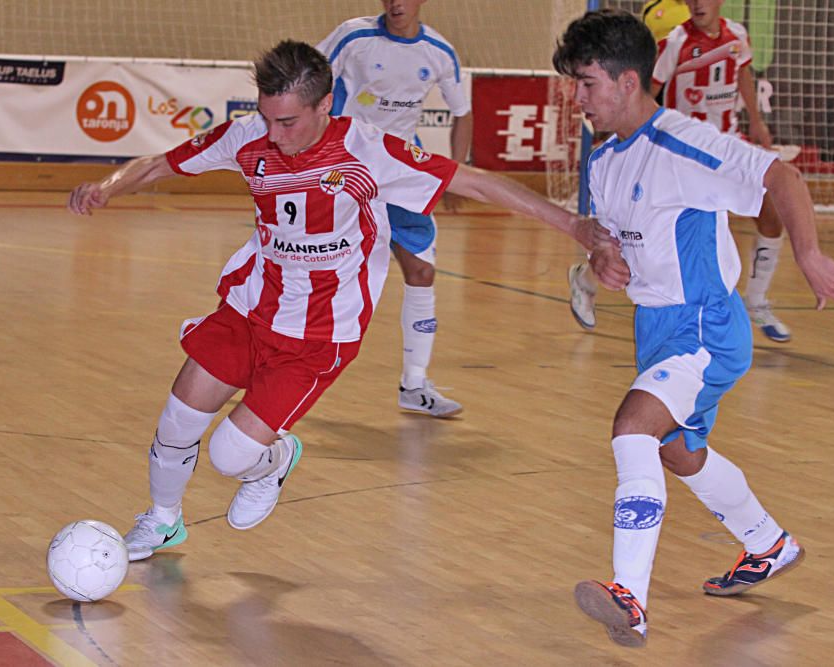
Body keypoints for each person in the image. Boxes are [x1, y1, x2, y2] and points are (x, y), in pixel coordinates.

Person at [68, 40, 609, 562]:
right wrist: (109, 186)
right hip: (251, 307)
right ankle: (162, 519)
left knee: (229, 456)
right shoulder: (248, 136)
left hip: (319, 334)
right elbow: (164, 162)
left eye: (289, 122)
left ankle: (275, 459)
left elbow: (477, 184)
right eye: (267, 118)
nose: (275, 136)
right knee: (177, 418)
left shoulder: (368, 152)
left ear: (326, 104)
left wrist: (574, 225)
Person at [552, 10, 834, 648]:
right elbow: (610, 238)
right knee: (675, 451)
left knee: (633, 427)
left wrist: (808, 257)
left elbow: (782, 175)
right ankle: (767, 542)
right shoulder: (605, 159)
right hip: (655, 327)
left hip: (706, 325)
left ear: (628, 80)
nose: (576, 98)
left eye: (586, 83)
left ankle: (629, 599)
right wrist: (601, 257)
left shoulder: (682, 142)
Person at [568, 0, 792, 343]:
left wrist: (757, 123)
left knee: (771, 217)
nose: (697, 3)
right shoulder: (675, 42)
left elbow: (742, 75)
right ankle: (587, 277)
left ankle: (757, 300)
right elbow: (647, 90)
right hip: (680, 153)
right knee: (635, 238)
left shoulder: (737, 36)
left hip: (721, 143)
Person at [316, 0, 473, 418]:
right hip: (346, 167)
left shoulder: (439, 52)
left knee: (421, 271)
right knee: (310, 267)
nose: (395, 3)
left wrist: (454, 172)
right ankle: (258, 360)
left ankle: (415, 384)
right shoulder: (353, 36)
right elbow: (308, 81)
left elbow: (463, 114)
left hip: (401, 171)